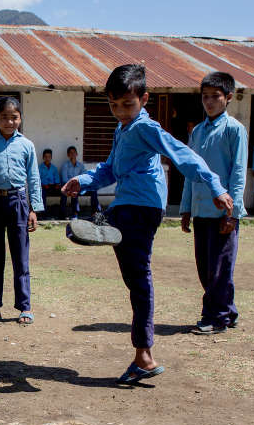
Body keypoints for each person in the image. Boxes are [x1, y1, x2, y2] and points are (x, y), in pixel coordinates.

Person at [62, 64, 233, 384]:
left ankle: (144, 354)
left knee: (138, 279)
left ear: (144, 98)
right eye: (113, 105)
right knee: (132, 274)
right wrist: (82, 181)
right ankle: (102, 224)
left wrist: (216, 187)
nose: (120, 112)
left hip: (142, 207)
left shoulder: (145, 128)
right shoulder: (122, 130)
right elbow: (109, 170)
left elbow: (182, 154)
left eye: (127, 104)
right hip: (127, 203)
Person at [180, 72, 247, 335]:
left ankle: (215, 316)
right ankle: (227, 311)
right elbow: (190, 172)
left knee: (220, 266)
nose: (209, 102)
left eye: (215, 97)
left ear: (228, 98)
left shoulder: (234, 130)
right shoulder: (197, 131)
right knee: (206, 267)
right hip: (201, 210)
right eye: (205, 97)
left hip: (223, 212)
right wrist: (186, 208)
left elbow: (238, 172)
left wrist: (233, 212)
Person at [0, 96, 43, 326]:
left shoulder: (27, 145)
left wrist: (34, 209)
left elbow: (33, 178)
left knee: (20, 256)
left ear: (20, 118)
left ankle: (25, 307)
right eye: (4, 117)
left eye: (14, 117)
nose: (9, 122)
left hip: (19, 202)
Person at [60, 145, 100, 218]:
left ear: (77, 154)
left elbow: (85, 176)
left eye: (74, 153)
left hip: (80, 187)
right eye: (71, 153)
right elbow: (64, 179)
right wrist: (73, 185)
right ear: (68, 155)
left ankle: (95, 212)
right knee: (74, 191)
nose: (73, 154)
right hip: (70, 187)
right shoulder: (65, 166)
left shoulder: (80, 166)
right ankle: (75, 213)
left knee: (93, 189)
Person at [38, 148, 61, 219]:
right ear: (43, 158)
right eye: (46, 157)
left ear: (51, 158)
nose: (47, 158)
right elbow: (38, 179)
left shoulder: (54, 168)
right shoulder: (40, 167)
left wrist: (57, 185)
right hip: (44, 187)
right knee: (43, 193)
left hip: (53, 186)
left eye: (49, 157)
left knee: (63, 192)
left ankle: (62, 213)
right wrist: (43, 185)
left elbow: (57, 178)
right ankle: (44, 213)